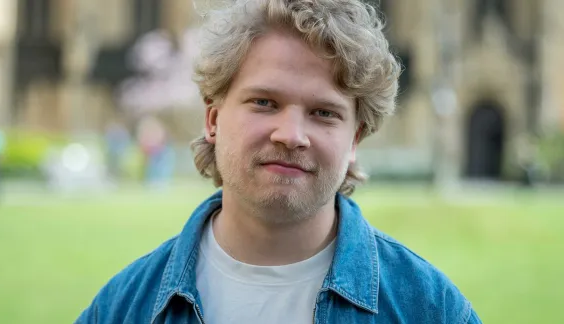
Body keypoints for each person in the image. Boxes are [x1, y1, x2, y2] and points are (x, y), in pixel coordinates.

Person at [77, 0, 481, 323]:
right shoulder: (122, 309)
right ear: (213, 119)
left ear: (355, 139)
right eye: (264, 102)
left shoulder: (431, 310)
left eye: (324, 112)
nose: (291, 135)